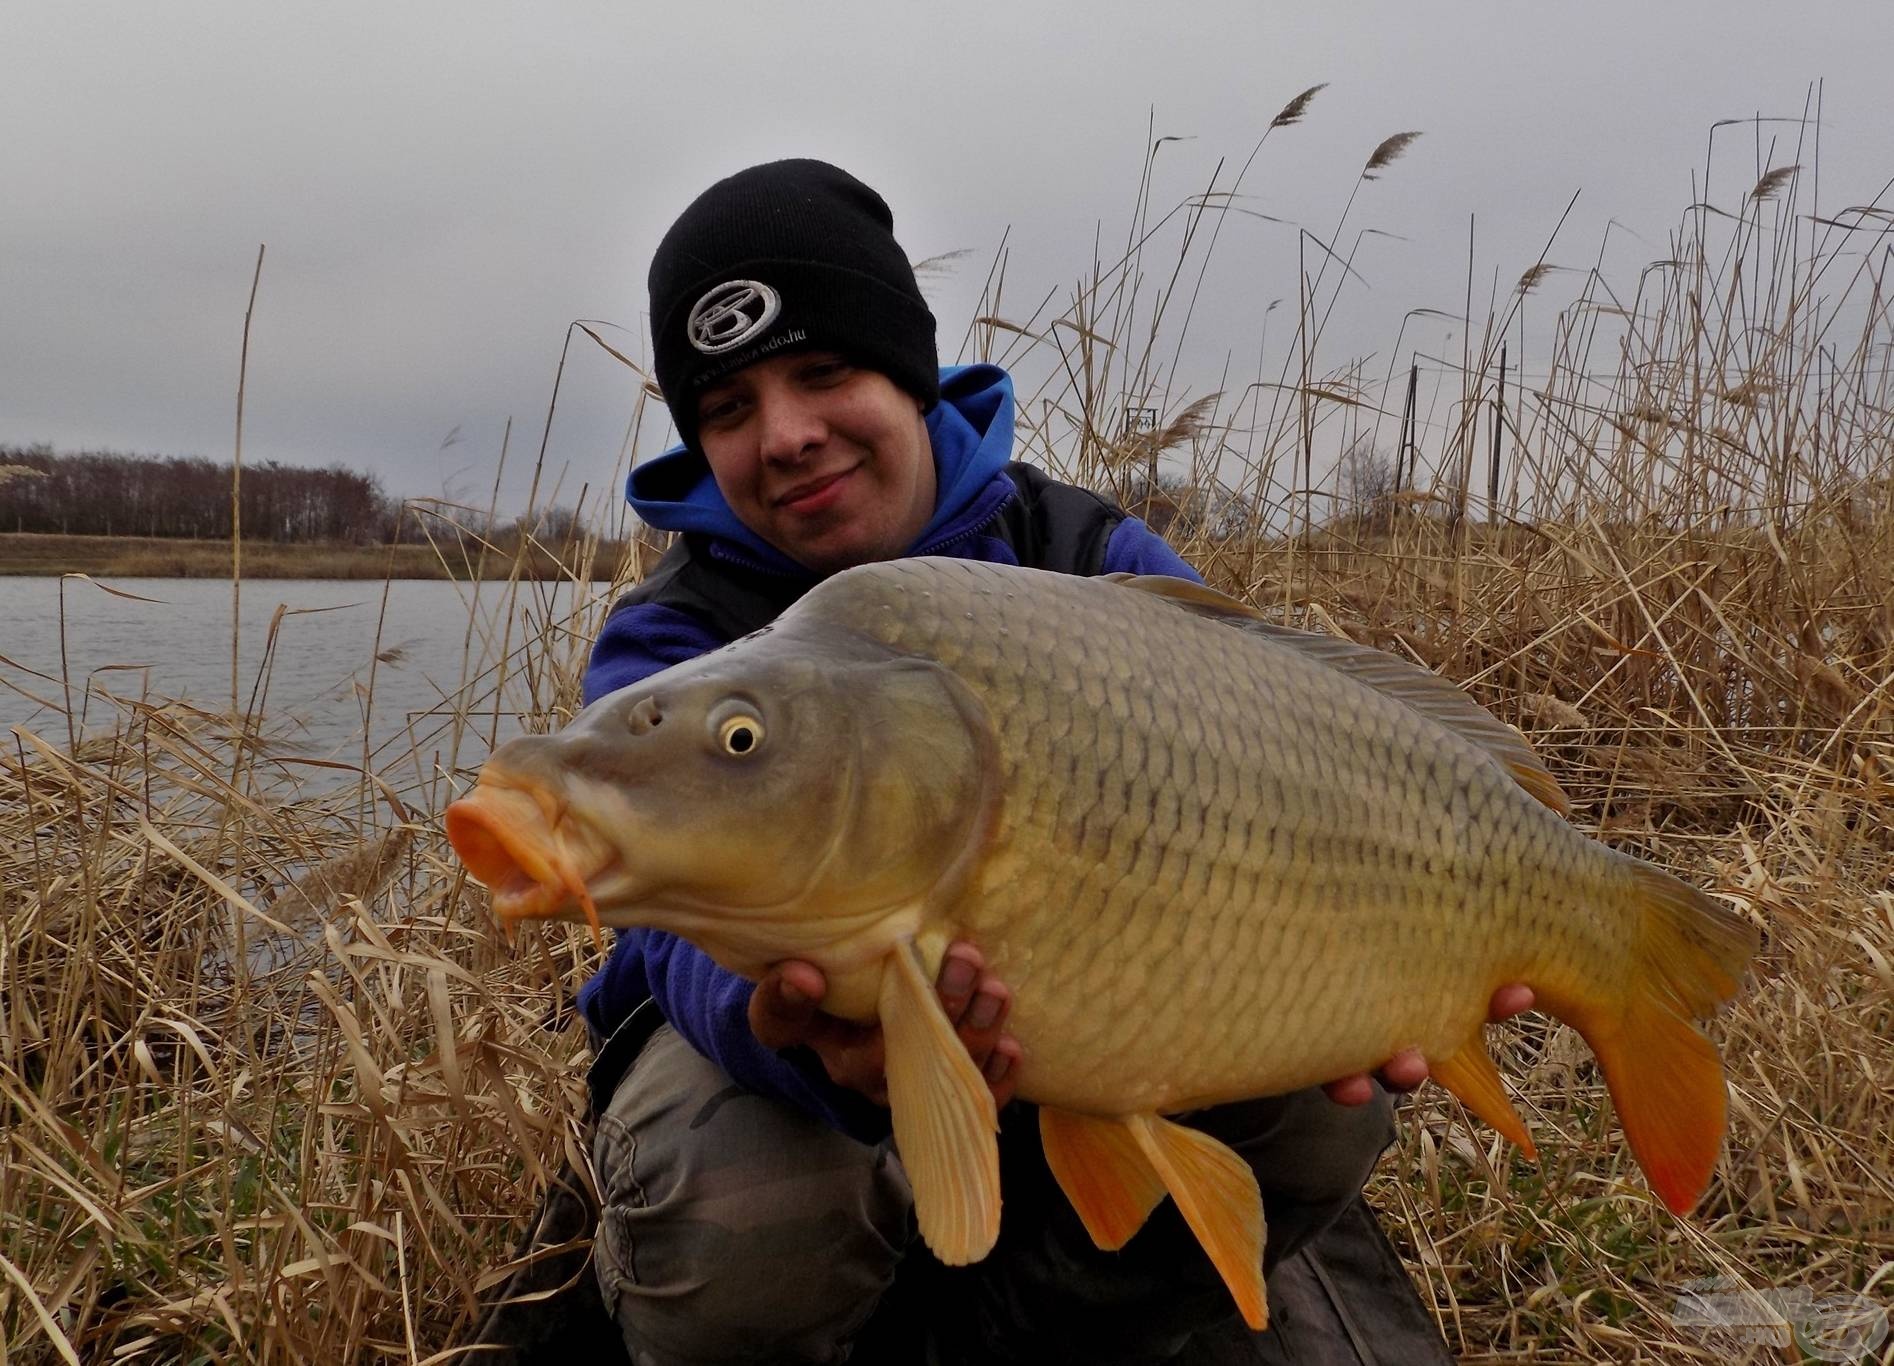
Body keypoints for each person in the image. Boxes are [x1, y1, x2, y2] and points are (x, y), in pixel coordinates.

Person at [467, 159, 1531, 1365]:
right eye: (727, 411)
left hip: (1102, 1001)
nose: (787, 435)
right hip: (781, 1070)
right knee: (737, 1208)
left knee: (1326, 1114)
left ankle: (1031, 1340)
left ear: (907, 372)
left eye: (823, 372)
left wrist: (1365, 974)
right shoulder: (672, 634)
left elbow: (1274, 789)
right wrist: (797, 1037)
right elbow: (659, 938)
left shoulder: (1087, 552)